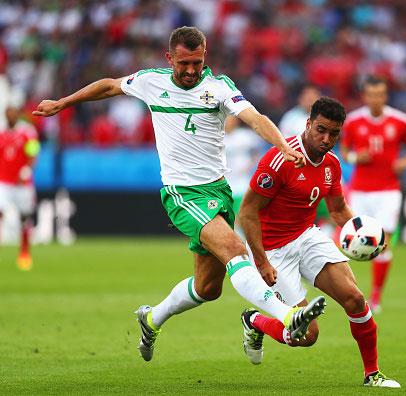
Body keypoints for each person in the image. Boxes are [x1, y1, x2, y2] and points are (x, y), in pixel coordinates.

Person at [33, 26, 325, 361]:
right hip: (182, 193)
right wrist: (64, 102)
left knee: (207, 288)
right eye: (183, 63)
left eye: (196, 63)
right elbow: (109, 85)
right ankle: (289, 316)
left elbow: (254, 117)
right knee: (234, 249)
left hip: (218, 191)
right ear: (169, 58)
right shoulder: (150, 81)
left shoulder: (218, 87)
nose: (189, 70)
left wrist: (281, 146)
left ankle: (152, 318)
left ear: (205, 57)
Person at [238, 97, 400, 388]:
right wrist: (260, 260)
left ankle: (372, 374)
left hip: (307, 236)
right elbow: (247, 212)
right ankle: (254, 321)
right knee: (307, 335)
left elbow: (338, 209)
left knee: (354, 299)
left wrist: (365, 235)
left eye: (334, 133)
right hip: (274, 250)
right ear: (308, 124)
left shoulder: (331, 164)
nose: (327, 139)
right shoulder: (280, 159)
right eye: (321, 130)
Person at [340, 76, 406, 313]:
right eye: (372, 94)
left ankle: (375, 296)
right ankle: (346, 289)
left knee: (383, 243)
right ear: (365, 96)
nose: (376, 99)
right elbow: (345, 152)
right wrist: (355, 158)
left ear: (386, 96)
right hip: (361, 190)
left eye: (381, 94)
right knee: (348, 242)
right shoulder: (353, 121)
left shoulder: (401, 121)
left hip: (388, 190)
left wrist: (404, 161)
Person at [0, 104, 40, 270]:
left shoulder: (28, 132)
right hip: (4, 182)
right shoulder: (1, 132)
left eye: (13, 113)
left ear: (17, 115)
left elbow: (33, 152)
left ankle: (24, 252)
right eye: (8, 113)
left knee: (25, 219)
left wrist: (27, 169)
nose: (11, 116)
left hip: (22, 184)